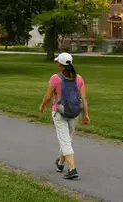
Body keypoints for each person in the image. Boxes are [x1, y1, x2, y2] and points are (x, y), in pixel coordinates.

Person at [38, 52, 90, 180]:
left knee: (65, 141)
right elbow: (83, 99)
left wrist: (43, 106)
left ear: (60, 64)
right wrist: (86, 115)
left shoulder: (55, 78)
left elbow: (48, 96)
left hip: (59, 112)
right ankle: (60, 164)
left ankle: (72, 169)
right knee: (67, 139)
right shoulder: (78, 79)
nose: (57, 64)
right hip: (74, 113)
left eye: (58, 62)